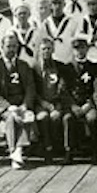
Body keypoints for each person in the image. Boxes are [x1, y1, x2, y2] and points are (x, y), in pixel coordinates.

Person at [0, 33, 36, 169]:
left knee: (28, 116)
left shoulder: (24, 65)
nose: (11, 49)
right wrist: (8, 107)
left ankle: (16, 152)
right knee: (12, 118)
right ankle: (16, 150)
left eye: (14, 46)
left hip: (22, 104)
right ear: (2, 47)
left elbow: (31, 88)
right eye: (8, 46)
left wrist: (25, 105)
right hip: (4, 107)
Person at [63, 34, 97, 164]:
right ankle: (69, 152)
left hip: (88, 103)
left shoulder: (94, 67)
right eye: (76, 48)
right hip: (74, 104)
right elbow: (63, 90)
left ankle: (95, 151)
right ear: (73, 50)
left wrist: (89, 104)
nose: (79, 51)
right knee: (68, 118)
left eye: (82, 48)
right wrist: (73, 106)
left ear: (87, 49)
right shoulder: (67, 68)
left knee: (92, 119)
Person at [33, 37, 71, 165]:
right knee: (43, 117)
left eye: (49, 49)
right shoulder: (34, 68)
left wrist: (55, 104)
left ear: (53, 50)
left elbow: (62, 87)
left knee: (55, 117)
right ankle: (47, 148)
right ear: (39, 50)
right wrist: (43, 103)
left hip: (55, 103)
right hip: (40, 103)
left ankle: (56, 147)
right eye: (43, 49)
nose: (46, 52)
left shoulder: (59, 67)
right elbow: (32, 89)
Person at [36, 0, 79, 64]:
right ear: (50, 6)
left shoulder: (72, 22)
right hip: (51, 63)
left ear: (64, 4)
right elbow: (40, 44)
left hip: (67, 61)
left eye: (60, 3)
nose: (57, 6)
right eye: (55, 3)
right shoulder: (45, 23)